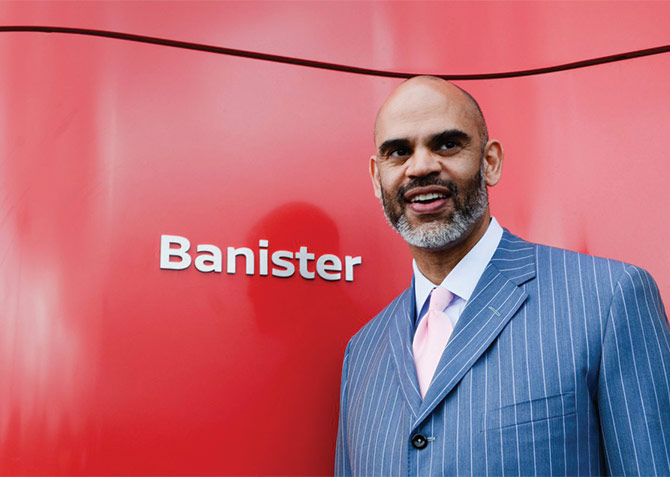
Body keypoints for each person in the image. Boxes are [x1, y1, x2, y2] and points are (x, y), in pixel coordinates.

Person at [335, 76, 670, 476]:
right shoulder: (361, 355)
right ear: (377, 177)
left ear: (490, 162)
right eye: (399, 151)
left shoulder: (608, 300)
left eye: (447, 144)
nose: (421, 167)